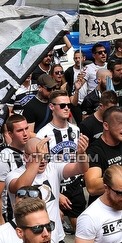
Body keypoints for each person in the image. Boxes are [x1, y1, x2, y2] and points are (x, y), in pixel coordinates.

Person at [7, 135, 89, 243]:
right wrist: (37, 159)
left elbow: (81, 168)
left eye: (45, 156)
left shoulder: (53, 168)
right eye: (36, 156)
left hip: (55, 238)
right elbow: (20, 187)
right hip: (29, 242)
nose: (43, 160)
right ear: (25, 157)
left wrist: (81, 153)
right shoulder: (14, 175)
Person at [36, 89, 86, 231]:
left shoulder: (75, 130)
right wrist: (56, 194)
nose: (66, 108)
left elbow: (79, 157)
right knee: (53, 230)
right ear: (52, 106)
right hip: (55, 186)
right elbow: (41, 171)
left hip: (75, 184)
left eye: (68, 105)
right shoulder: (43, 134)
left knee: (81, 229)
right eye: (62, 105)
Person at [84, 106, 122, 201]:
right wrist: (120, 172)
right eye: (120, 124)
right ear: (106, 126)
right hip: (105, 209)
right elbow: (92, 188)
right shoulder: (94, 151)